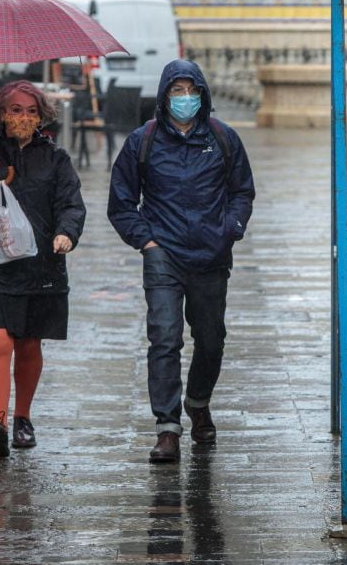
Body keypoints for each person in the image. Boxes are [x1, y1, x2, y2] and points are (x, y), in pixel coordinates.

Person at [108, 59, 255, 464]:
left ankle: (198, 401)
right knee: (165, 338)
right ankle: (167, 428)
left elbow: (242, 191)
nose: (185, 98)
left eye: (191, 91)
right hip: (164, 256)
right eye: (177, 91)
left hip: (212, 256)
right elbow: (121, 203)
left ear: (203, 94)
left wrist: (230, 229)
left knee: (211, 340)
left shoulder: (224, 138)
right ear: (164, 95)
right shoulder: (144, 141)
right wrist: (147, 242)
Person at [0, 81, 86, 458]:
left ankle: (23, 416)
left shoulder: (56, 159)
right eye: (15, 110)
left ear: (41, 117)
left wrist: (66, 234)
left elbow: (71, 205)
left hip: (39, 266)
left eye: (30, 111)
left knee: (28, 344)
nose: (23, 118)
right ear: (1, 115)